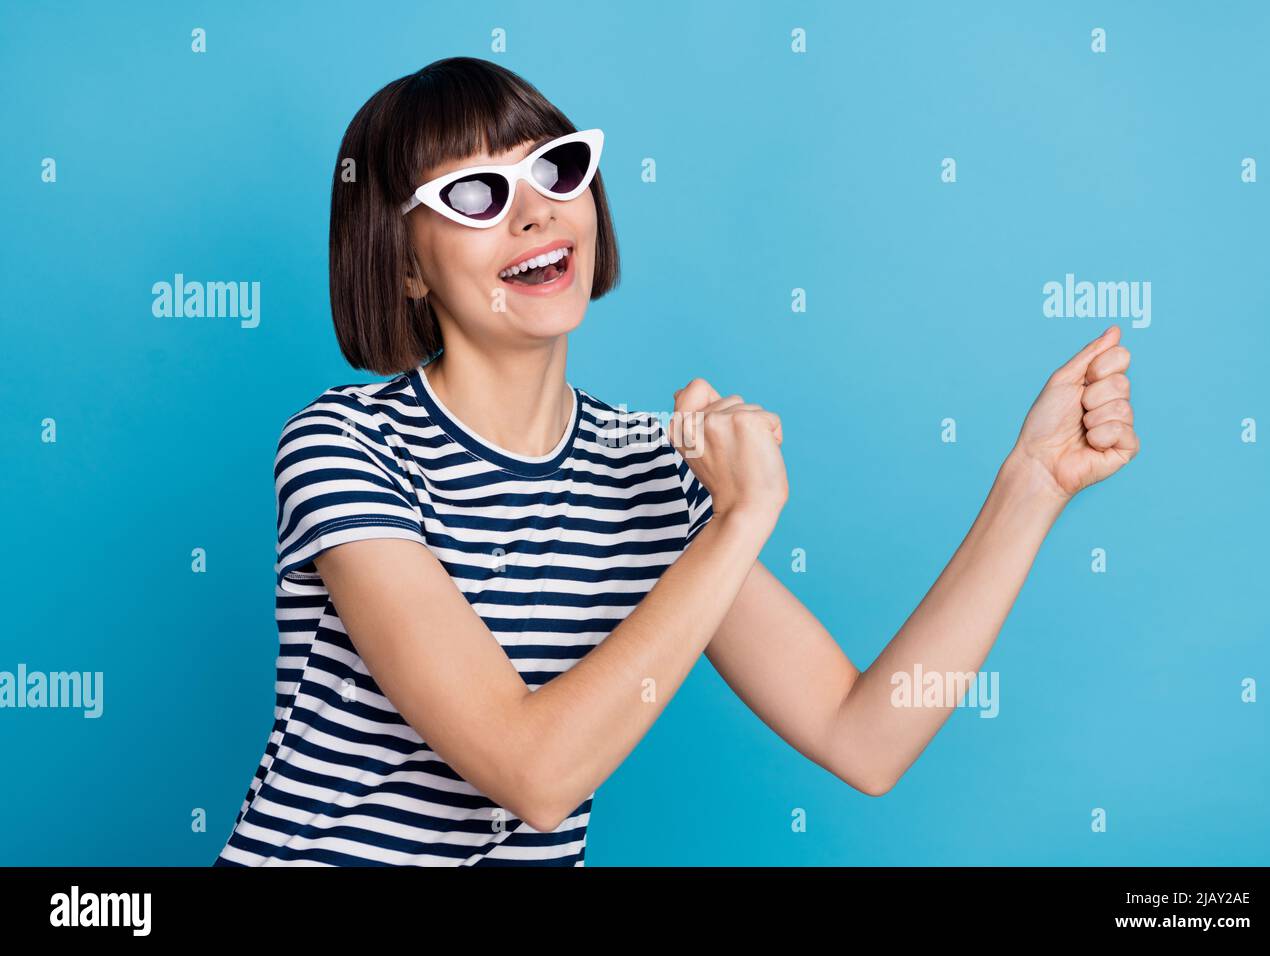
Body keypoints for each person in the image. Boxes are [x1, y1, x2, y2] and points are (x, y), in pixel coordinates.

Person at [215, 56, 1139, 866]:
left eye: (555, 169)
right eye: (475, 194)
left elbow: (865, 736)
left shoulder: (647, 472)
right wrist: (737, 523)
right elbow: (533, 775)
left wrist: (1032, 484)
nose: (535, 213)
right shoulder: (345, 445)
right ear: (406, 263)